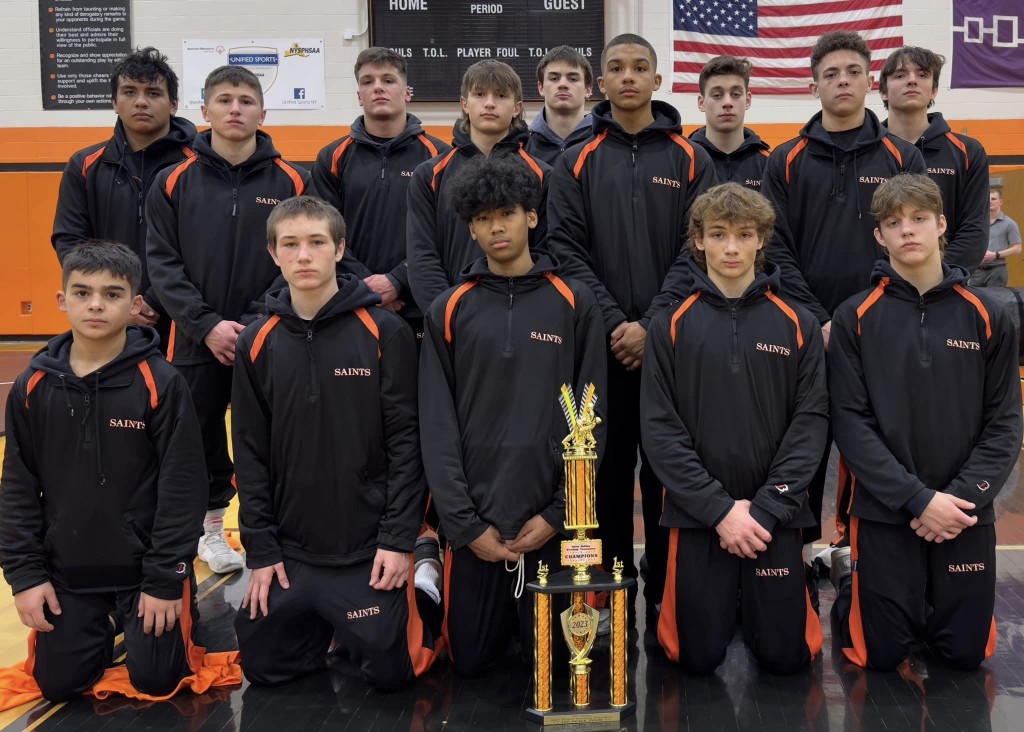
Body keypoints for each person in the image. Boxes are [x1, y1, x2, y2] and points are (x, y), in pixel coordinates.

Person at [231, 196, 441, 689]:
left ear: (340, 249)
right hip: (293, 551)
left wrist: (397, 541)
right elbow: (250, 453)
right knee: (263, 667)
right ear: (273, 254)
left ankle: (426, 567)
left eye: (316, 242)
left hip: (367, 548)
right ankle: (327, 621)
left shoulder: (384, 331)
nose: (304, 255)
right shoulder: (255, 341)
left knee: (394, 672)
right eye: (290, 244)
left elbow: (406, 445)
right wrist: (262, 551)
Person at [547, 33, 715, 619]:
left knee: (671, 475)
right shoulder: (575, 158)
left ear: (657, 81)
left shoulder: (692, 158)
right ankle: (608, 594)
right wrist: (618, 323)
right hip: (603, 349)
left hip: (670, 349)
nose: (628, 76)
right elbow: (564, 248)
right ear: (601, 83)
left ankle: (670, 595)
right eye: (616, 68)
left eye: (639, 67)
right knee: (605, 475)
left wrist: (654, 323)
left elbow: (700, 247)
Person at [419, 155, 606, 677]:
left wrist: (558, 513)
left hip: (549, 522)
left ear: (532, 217)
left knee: (558, 663)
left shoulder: (575, 302)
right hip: (476, 525)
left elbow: (592, 420)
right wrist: (464, 524)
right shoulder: (448, 309)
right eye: (482, 218)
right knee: (471, 661)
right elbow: (436, 424)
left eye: (506, 213)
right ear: (471, 229)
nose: (495, 227)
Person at [829, 173, 1021, 671]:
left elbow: (1004, 422)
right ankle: (850, 576)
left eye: (918, 219)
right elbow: (851, 423)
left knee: (964, 655)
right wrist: (917, 499)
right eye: (894, 223)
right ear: (880, 236)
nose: (907, 231)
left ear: (941, 225)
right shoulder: (854, 317)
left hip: (963, 509)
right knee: (880, 655)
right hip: (885, 508)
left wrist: (962, 498)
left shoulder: (989, 314)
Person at [0, 242, 207, 701]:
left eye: (112, 294)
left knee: (157, 680)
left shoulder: (162, 382)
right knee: (59, 685)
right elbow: (17, 487)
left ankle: (152, 611)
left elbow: (183, 488)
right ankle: (109, 621)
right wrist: (26, 577)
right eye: (83, 292)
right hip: (68, 573)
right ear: (63, 300)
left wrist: (165, 580)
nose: (96, 304)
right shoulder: (33, 386)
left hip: (144, 573)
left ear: (135, 305)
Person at [641, 183, 826, 675]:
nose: (730, 247)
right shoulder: (669, 325)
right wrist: (719, 511)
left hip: (775, 515)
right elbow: (659, 429)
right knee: (693, 657)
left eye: (744, 235)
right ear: (698, 240)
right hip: (698, 516)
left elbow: (810, 425)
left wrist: (764, 509)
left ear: (761, 239)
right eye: (718, 234)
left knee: (787, 658)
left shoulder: (799, 323)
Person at [759, 30, 925, 559]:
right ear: (814, 86)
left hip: (883, 330)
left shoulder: (903, 157)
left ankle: (861, 556)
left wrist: (864, 318)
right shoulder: (785, 160)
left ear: (870, 82)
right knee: (801, 446)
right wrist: (816, 319)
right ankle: (797, 557)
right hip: (806, 332)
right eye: (831, 74)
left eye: (853, 71)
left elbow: (912, 247)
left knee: (877, 447)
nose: (843, 81)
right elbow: (775, 249)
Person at [146, 65, 313, 574]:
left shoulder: (293, 180)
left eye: (245, 100)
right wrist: (206, 326)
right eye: (224, 100)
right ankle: (211, 532)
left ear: (263, 112)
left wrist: (255, 324)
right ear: (205, 110)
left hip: (270, 338)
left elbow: (301, 256)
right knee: (197, 442)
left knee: (275, 438)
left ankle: (286, 531)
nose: (235, 109)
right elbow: (163, 264)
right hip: (194, 342)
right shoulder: (171, 181)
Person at [51, 47, 197, 353]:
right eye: (129, 92)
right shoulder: (84, 165)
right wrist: (114, 297)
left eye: (153, 93)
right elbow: (70, 239)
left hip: (184, 315)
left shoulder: (199, 164)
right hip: (109, 312)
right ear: (115, 103)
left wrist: (154, 300)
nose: (141, 101)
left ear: (173, 105)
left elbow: (206, 245)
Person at [312, 47, 450, 339]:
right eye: (368, 81)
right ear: (359, 95)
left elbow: (446, 233)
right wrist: (368, 286)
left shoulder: (440, 156)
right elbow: (324, 234)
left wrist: (398, 280)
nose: (378, 87)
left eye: (388, 80)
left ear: (407, 92)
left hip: (419, 305)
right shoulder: (332, 157)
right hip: (350, 301)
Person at [407, 60, 550, 314]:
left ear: (517, 108)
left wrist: (521, 314)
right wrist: (447, 315)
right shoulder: (429, 175)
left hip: (522, 314)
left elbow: (545, 253)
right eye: (480, 94)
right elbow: (422, 256)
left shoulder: (542, 175)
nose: (490, 103)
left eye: (501, 95)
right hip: (452, 316)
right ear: (465, 104)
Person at [879, 46, 989, 273]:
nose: (912, 80)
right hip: (875, 283)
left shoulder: (968, 152)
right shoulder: (864, 152)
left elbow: (974, 230)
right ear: (883, 91)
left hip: (945, 283)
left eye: (922, 75)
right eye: (900, 75)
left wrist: (936, 279)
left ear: (934, 90)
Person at [689, 56, 770, 190]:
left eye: (735, 94)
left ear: (748, 100)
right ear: (701, 103)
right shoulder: (684, 160)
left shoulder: (768, 164)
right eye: (717, 95)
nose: (727, 102)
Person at [525, 46, 594, 165]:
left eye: (573, 79)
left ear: (588, 89)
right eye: (554, 78)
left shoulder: (605, 142)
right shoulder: (522, 146)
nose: (563, 84)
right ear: (541, 87)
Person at [969, 188, 1021, 287]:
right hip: (977, 271)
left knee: (994, 297)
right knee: (973, 297)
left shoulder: (1009, 223)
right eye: (988, 199)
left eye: (993, 199)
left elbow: (1018, 249)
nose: (990, 201)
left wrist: (995, 255)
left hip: (997, 270)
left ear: (1000, 202)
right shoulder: (978, 223)